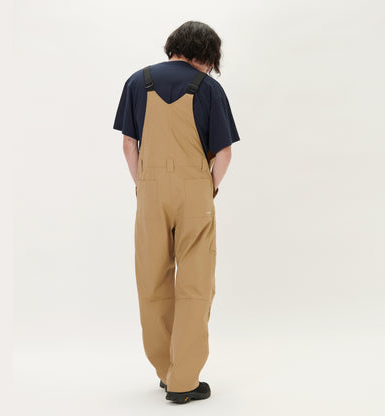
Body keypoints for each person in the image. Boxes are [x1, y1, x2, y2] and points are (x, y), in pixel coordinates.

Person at [113, 20, 240, 404]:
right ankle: (184, 380)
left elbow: (129, 145)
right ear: (206, 56)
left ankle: (166, 371)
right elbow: (224, 153)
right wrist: (208, 188)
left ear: (174, 46)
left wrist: (144, 186)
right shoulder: (209, 89)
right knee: (195, 285)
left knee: (152, 281)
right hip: (194, 194)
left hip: (150, 192)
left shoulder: (137, 82)